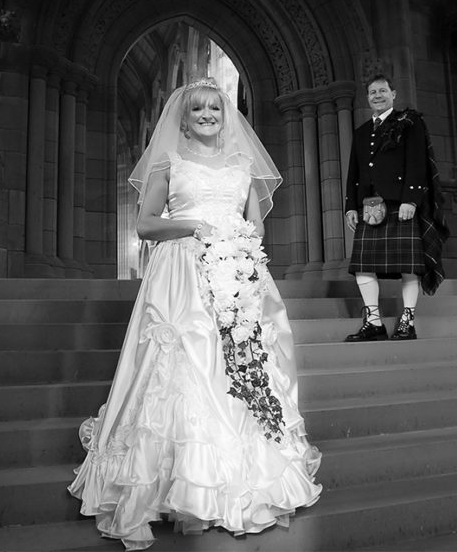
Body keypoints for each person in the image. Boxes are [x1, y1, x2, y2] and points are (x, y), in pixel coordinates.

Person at [68, 78, 321, 550]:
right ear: (184, 118)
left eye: (215, 109)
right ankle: (175, 483)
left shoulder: (243, 164)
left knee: (239, 367)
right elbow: (146, 224)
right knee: (183, 368)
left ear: (226, 117)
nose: (208, 115)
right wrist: (196, 225)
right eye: (198, 109)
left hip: (237, 274)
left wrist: (239, 252)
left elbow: (256, 227)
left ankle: (232, 481)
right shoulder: (169, 162)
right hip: (182, 272)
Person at [343, 74, 448, 341]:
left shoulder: (410, 123)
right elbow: (354, 172)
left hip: (399, 204)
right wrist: (350, 206)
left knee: (408, 266)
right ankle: (374, 322)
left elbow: (417, 162)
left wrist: (410, 199)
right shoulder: (361, 131)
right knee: (363, 266)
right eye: (371, 93)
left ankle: (407, 321)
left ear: (394, 94)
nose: (376, 96)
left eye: (382, 91)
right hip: (369, 207)